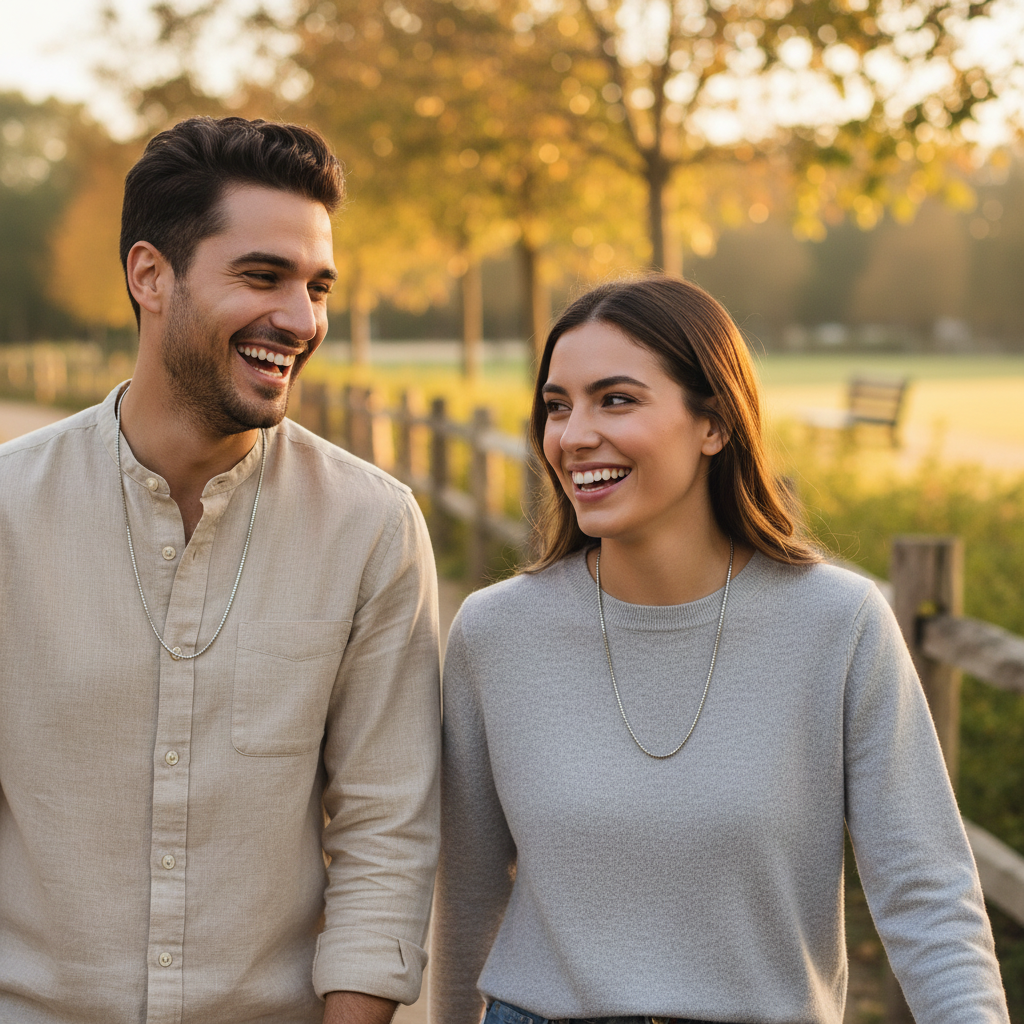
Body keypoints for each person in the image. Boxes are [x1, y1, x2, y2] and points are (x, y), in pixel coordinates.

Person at [431, 276, 1009, 1024]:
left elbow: (928, 897)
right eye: (557, 405)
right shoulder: (495, 632)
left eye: (616, 399)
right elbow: (469, 894)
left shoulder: (840, 625)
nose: (573, 435)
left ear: (714, 423)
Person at [0, 117, 440, 1024]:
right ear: (149, 275)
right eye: (262, 276)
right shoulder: (8, 512)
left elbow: (385, 834)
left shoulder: (370, 527)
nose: (300, 319)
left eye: (318, 286)